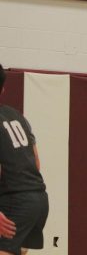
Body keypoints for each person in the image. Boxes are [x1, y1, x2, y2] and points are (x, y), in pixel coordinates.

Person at [0, 64, 48, 254]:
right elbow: (36, 163)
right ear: (3, 89)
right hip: (39, 199)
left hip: (15, 201)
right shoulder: (17, 116)